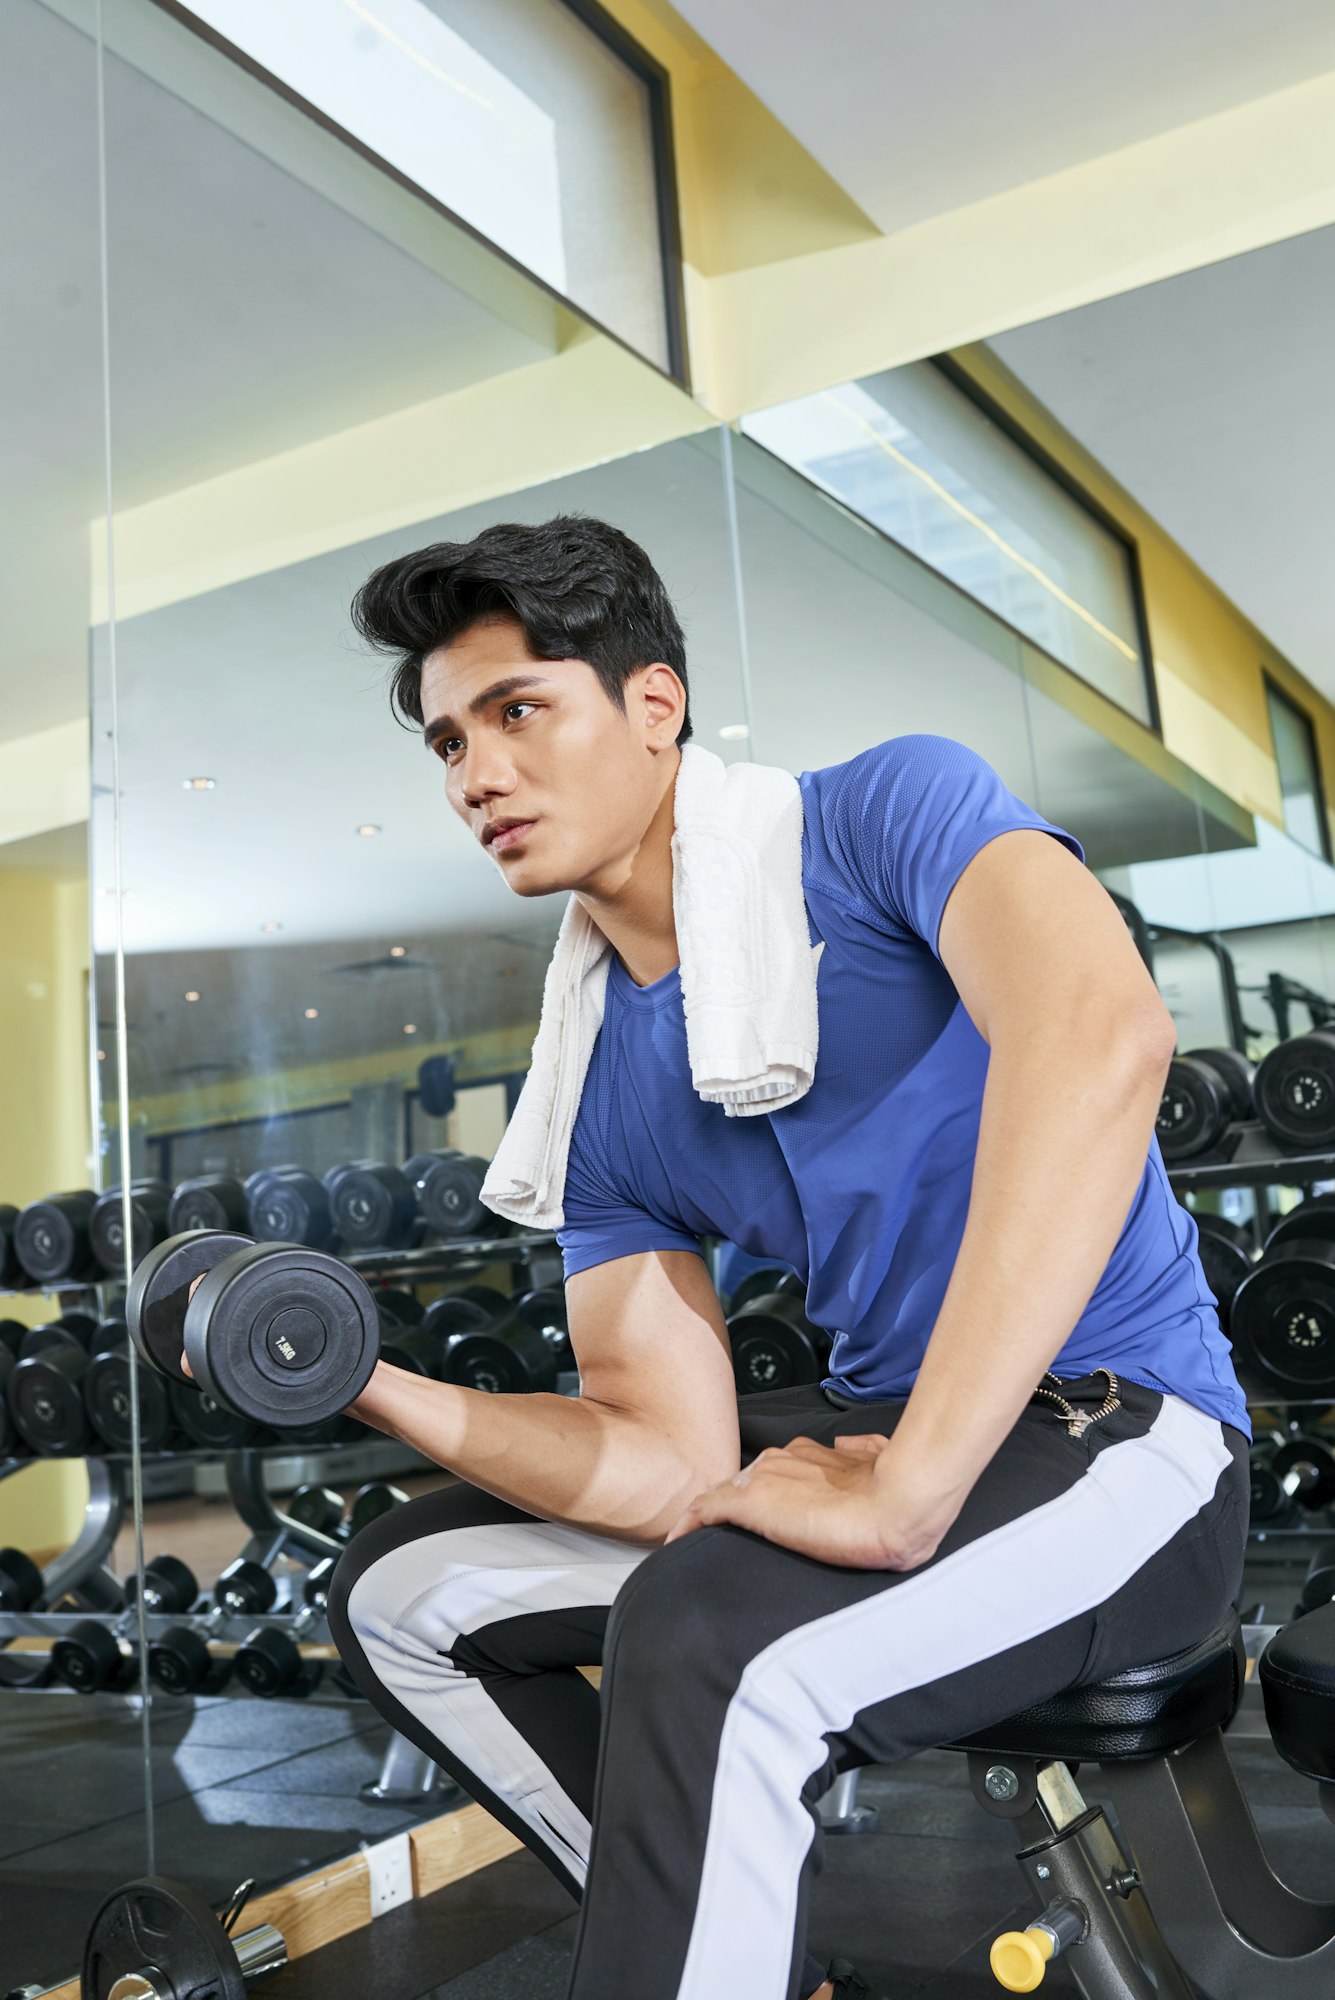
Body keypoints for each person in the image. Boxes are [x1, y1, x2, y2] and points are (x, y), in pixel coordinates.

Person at [327, 515, 1250, 2000]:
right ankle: (747, 1953)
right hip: (902, 1439)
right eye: (446, 742)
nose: (474, 775)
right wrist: (360, 1379)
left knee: (708, 1640)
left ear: (653, 706)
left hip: (1128, 1439)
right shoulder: (604, 1082)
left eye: (517, 711)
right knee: (404, 1586)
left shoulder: (886, 813)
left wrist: (907, 1482)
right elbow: (661, 1458)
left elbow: (1104, 1032)